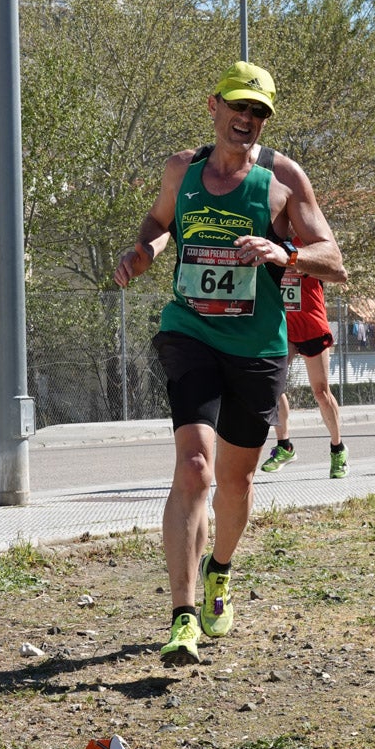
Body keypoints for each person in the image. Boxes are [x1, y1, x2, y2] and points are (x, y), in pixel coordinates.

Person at [113, 60, 347, 667]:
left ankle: (220, 570)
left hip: (257, 348)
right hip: (189, 331)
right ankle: (183, 616)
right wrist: (144, 251)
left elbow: (335, 260)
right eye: (239, 107)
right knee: (195, 467)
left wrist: (284, 251)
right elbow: (162, 223)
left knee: (237, 480)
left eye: (260, 112)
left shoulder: (282, 179)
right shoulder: (180, 169)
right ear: (213, 105)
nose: (247, 120)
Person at [260, 248, 348, 477]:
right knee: (272, 385)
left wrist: (301, 264)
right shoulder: (273, 239)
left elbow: (340, 274)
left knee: (321, 392)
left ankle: (338, 449)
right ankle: (284, 446)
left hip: (311, 326)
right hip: (283, 328)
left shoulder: (311, 241)